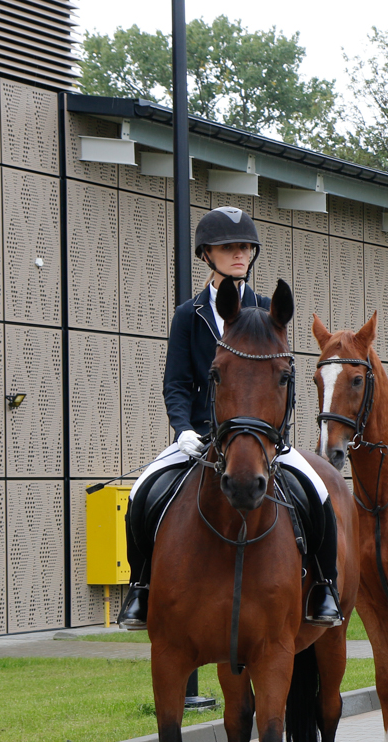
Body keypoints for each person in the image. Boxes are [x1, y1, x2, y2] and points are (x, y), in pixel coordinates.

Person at [119, 207, 341, 629]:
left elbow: (281, 379)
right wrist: (183, 429)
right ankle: (140, 588)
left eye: (244, 247)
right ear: (207, 255)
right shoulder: (190, 315)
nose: (239, 254)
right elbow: (177, 383)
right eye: (228, 247)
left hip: (261, 438)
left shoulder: (267, 309)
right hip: (202, 436)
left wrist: (278, 434)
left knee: (320, 493)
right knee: (141, 493)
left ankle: (324, 587)